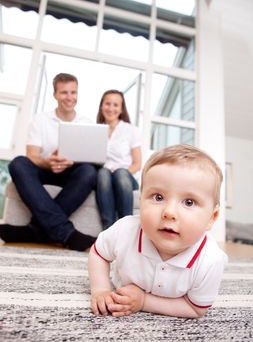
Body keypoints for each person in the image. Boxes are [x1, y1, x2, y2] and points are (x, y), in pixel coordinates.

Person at [88, 144, 228, 318]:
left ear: (211, 218)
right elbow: (98, 253)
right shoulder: (126, 230)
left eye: (189, 202)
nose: (169, 212)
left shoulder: (210, 261)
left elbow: (195, 309)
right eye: (158, 197)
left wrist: (144, 302)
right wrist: (101, 289)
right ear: (141, 201)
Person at [0, 73, 97, 251]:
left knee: (89, 171)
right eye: (64, 93)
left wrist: (72, 161)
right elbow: (32, 155)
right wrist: (49, 163)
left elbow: (92, 158)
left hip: (71, 172)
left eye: (73, 92)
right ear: (55, 95)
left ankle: (35, 231)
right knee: (18, 163)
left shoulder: (87, 123)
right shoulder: (40, 120)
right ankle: (67, 234)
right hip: (45, 170)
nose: (69, 97)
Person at [95, 89, 142, 229]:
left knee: (120, 173)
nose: (111, 108)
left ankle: (125, 228)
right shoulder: (95, 130)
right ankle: (108, 229)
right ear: (102, 106)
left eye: (115, 105)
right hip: (104, 179)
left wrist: (120, 171)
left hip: (126, 179)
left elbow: (137, 163)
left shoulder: (131, 130)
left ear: (121, 109)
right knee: (103, 173)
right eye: (107, 104)